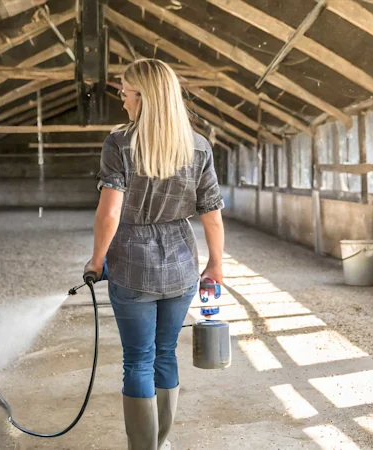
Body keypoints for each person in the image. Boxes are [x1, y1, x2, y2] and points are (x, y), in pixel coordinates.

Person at [84, 59, 225, 450]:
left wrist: (97, 261)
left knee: (137, 359)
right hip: (181, 263)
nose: (122, 100)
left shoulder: (119, 143)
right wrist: (215, 264)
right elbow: (212, 215)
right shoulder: (198, 146)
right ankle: (161, 443)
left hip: (131, 265)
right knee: (166, 353)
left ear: (144, 97)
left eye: (126, 93)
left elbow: (109, 213)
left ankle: (142, 447)